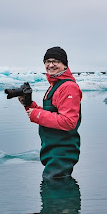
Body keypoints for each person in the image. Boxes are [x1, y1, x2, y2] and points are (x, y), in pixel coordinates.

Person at [21, 47, 82, 178]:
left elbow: (69, 122)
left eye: (56, 61)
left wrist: (37, 115)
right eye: (47, 61)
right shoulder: (55, 86)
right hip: (52, 150)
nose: (51, 65)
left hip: (62, 151)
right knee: (54, 192)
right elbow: (52, 113)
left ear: (65, 64)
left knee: (55, 190)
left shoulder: (68, 87)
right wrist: (29, 105)